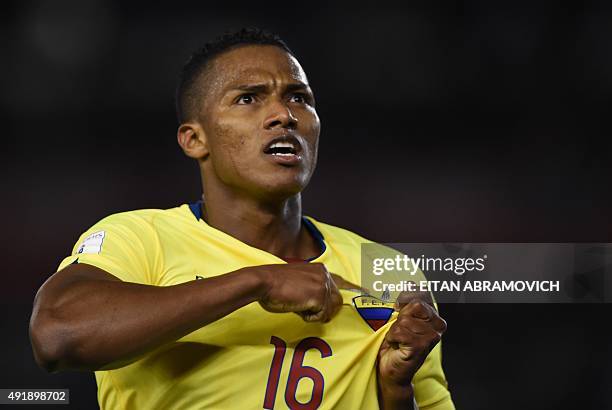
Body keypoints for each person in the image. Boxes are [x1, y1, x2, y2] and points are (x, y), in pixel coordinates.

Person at [29, 28, 454, 410]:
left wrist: (397, 391)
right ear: (195, 139)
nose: (283, 115)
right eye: (248, 98)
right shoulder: (141, 239)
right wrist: (259, 281)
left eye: (298, 97)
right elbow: (57, 336)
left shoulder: (388, 272)